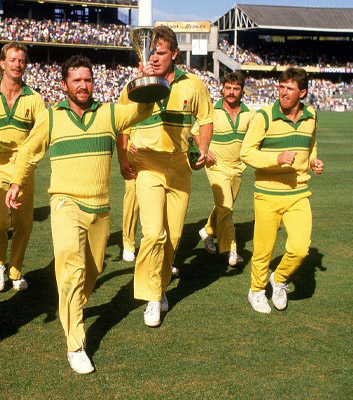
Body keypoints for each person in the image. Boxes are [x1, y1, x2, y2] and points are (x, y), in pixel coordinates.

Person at [6, 55, 153, 374]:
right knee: (71, 266)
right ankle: (76, 343)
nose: (83, 85)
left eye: (88, 79)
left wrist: (143, 82)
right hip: (64, 202)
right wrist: (17, 182)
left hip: (99, 208)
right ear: (64, 85)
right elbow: (29, 152)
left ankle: (71, 306)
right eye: (77, 80)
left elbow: (143, 110)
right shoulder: (51, 117)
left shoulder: (109, 113)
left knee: (92, 270)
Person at [117, 25, 215, 328]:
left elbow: (206, 118)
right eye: (151, 53)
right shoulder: (135, 83)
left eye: (160, 53)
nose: (155, 58)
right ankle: (151, 297)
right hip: (147, 164)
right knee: (153, 234)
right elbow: (121, 124)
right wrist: (123, 158)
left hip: (180, 168)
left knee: (171, 238)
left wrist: (204, 148)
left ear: (174, 54)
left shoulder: (193, 84)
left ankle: (158, 287)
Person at [241, 67, 324, 313]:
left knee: (300, 248)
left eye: (290, 88)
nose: (283, 92)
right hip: (267, 193)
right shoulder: (264, 117)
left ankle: (278, 280)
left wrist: (313, 161)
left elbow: (311, 144)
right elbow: (246, 152)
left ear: (303, 92)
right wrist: (276, 158)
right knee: (263, 249)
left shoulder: (311, 115)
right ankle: (256, 291)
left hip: (298, 192)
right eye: (281, 86)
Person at [0, 42, 46, 292]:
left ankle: (15, 269)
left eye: (21, 60)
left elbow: (40, 136)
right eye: (12, 59)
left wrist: (26, 163)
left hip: (23, 168)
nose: (17, 64)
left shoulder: (35, 99)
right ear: (1, 63)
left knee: (23, 225)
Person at [196, 71, 255, 266]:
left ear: (241, 91)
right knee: (227, 207)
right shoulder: (211, 111)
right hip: (216, 166)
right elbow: (196, 132)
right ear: (222, 88)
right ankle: (231, 250)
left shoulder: (250, 114)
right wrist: (203, 148)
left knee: (224, 207)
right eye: (228, 87)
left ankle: (207, 231)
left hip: (238, 168)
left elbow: (256, 138)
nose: (231, 92)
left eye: (235, 88)